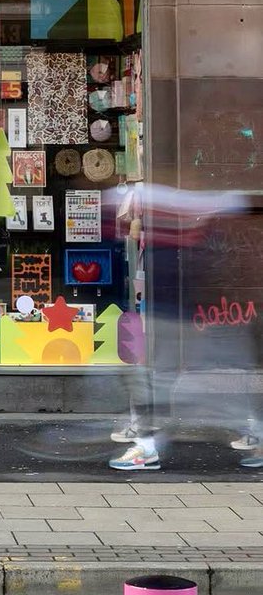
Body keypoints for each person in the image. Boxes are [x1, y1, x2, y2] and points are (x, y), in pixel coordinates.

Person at [107, 184, 258, 471]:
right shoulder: (189, 219)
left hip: (182, 315)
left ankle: (146, 445)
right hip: (183, 313)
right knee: (179, 377)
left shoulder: (183, 220)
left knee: (167, 380)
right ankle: (146, 440)